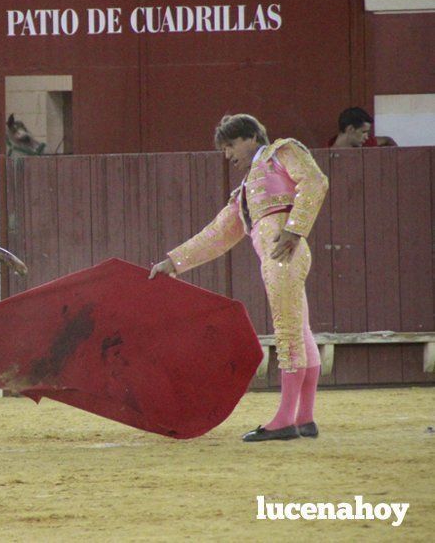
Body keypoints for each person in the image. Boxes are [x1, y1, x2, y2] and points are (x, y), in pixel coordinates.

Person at [149, 114, 329, 442]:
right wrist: (172, 263)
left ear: (249, 137)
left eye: (230, 145)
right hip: (278, 253)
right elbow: (217, 235)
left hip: (281, 252)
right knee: (300, 330)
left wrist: (294, 230)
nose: (227, 155)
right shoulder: (245, 190)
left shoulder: (281, 152)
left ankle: (285, 420)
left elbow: (315, 182)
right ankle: (304, 417)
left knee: (288, 329)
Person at [328, 107, 397, 148]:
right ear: (350, 129)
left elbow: (387, 140)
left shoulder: (366, 143)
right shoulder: (326, 154)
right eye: (363, 132)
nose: (366, 137)